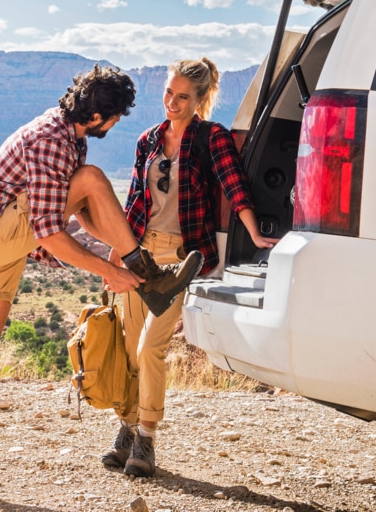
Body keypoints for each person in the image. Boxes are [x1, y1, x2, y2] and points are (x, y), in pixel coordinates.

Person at [0, 65, 204, 493]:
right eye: (115, 117)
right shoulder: (53, 139)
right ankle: (150, 277)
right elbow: (50, 232)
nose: (114, 124)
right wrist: (113, 270)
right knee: (92, 179)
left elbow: (84, 213)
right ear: (98, 116)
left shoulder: (70, 136)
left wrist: (121, 257)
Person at [102, 58, 279, 478]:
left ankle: (146, 438)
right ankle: (125, 428)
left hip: (182, 260)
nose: (172, 103)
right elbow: (132, 203)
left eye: (183, 97)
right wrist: (115, 250)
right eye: (168, 93)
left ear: (201, 99)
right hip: (139, 254)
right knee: (130, 350)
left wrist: (254, 233)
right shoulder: (147, 140)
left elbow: (234, 185)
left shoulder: (209, 138)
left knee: (150, 348)